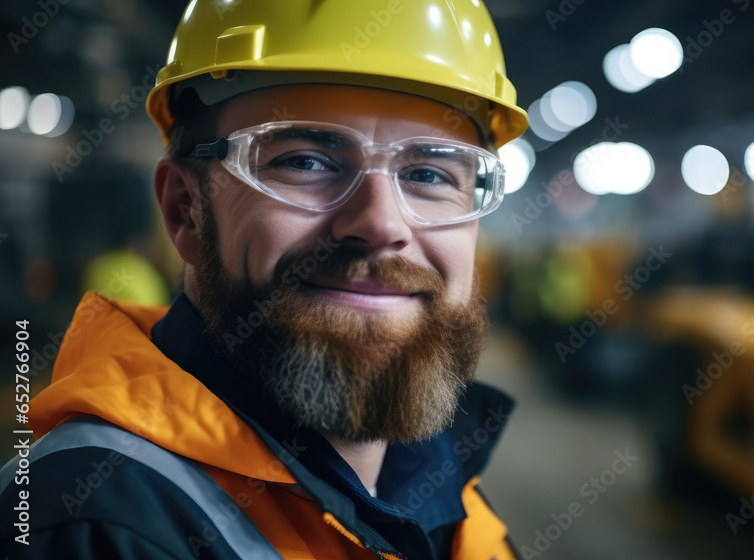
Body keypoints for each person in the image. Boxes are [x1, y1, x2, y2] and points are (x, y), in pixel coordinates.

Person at [0, 1, 529, 558]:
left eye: (428, 173)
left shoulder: (442, 484)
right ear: (186, 210)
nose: (380, 224)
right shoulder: (88, 525)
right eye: (305, 162)